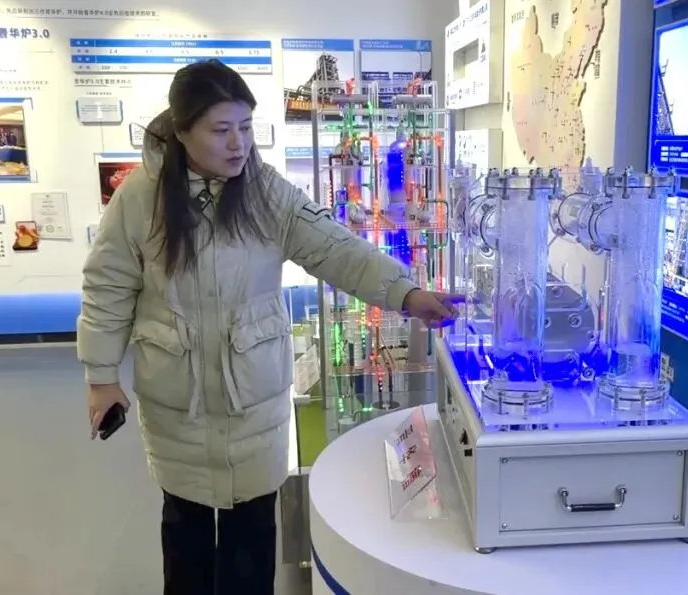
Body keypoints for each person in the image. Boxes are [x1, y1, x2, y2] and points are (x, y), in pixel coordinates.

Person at [76, 59, 461, 595]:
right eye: (221, 129)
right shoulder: (140, 198)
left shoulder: (266, 193)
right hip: (177, 399)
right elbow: (108, 286)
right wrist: (100, 376)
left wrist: (405, 293)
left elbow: (335, 249)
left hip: (251, 397)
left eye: (245, 126)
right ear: (182, 131)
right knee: (185, 536)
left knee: (252, 540)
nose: (238, 143)